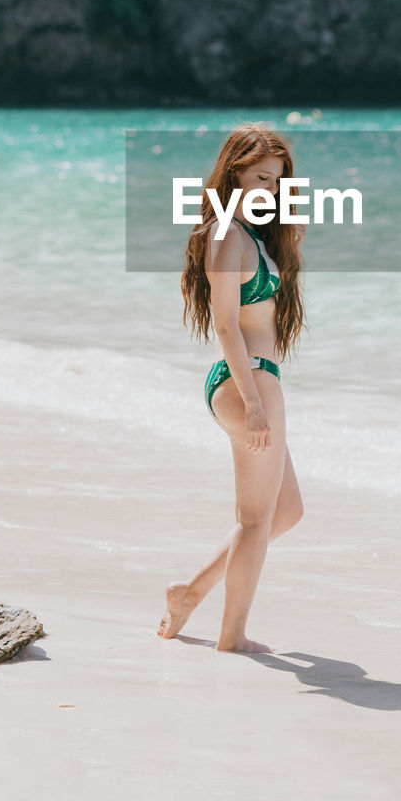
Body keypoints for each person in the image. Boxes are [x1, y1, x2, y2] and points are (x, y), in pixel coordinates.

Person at [157, 123, 306, 653]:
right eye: (260, 177)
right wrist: (253, 404)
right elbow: (224, 325)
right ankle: (232, 637)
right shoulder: (225, 235)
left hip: (260, 380)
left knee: (284, 513)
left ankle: (190, 591)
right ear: (234, 172)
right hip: (249, 382)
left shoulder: (252, 236)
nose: (269, 189)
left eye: (278, 181)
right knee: (253, 519)